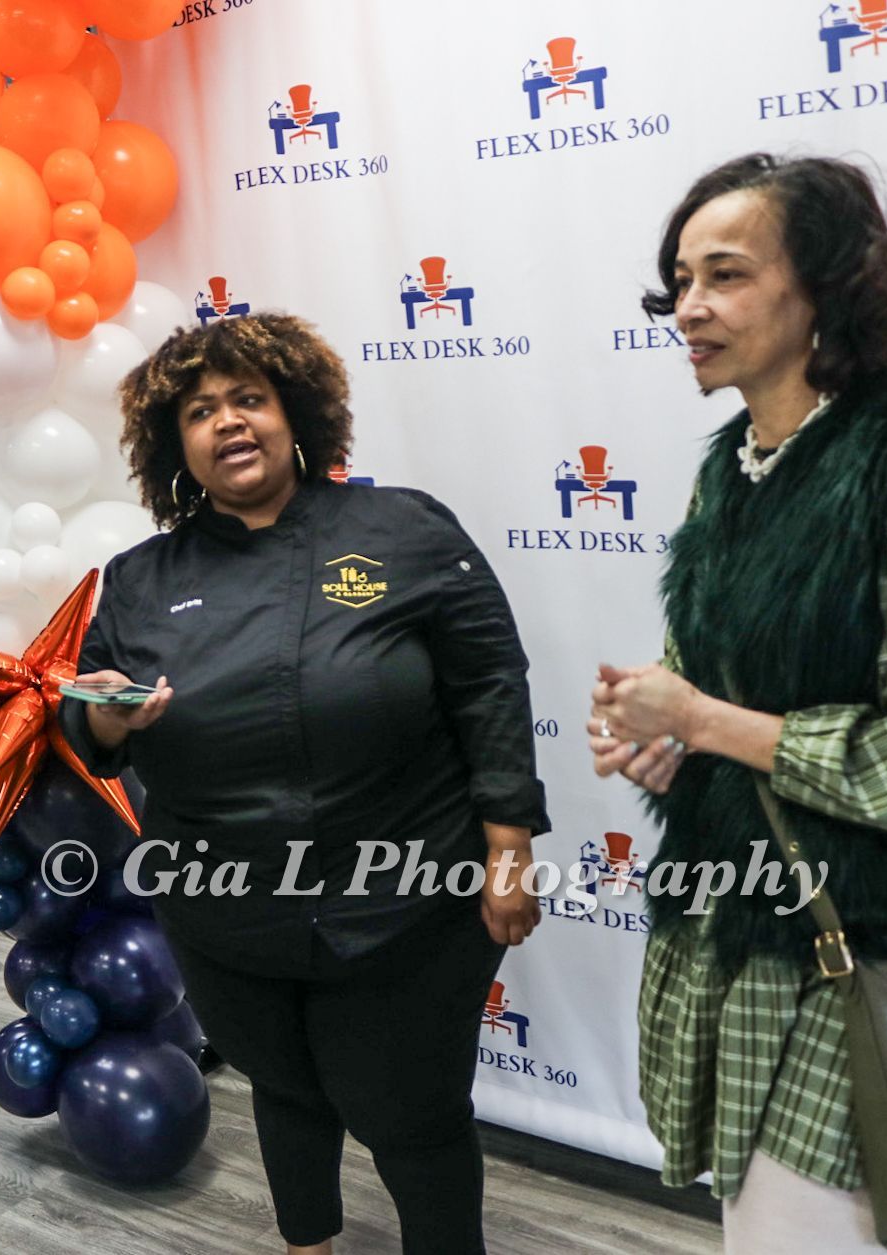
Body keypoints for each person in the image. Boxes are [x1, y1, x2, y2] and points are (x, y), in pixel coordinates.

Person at [590, 153, 887, 1252]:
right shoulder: (727, 470)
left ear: (822, 287)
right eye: (678, 278)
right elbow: (714, 699)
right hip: (738, 955)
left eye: (723, 275)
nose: (687, 306)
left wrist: (698, 722)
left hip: (879, 967)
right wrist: (660, 740)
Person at [60, 313, 548, 1255]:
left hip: (405, 903)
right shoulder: (139, 579)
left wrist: (508, 842)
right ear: (175, 444)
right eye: (202, 411)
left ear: (296, 415)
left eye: (250, 398)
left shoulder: (402, 527)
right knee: (282, 1087)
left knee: (412, 1115)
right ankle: (305, 1246)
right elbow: (90, 715)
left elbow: (489, 679)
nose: (229, 423)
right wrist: (104, 715)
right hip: (225, 910)